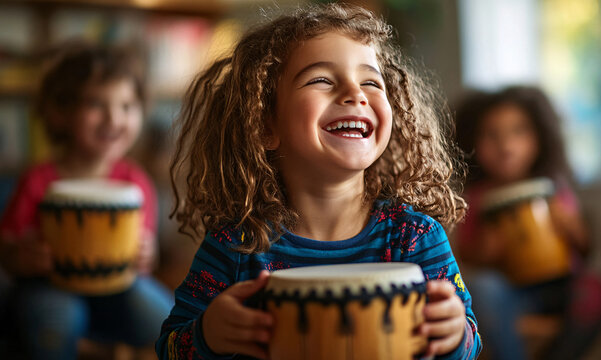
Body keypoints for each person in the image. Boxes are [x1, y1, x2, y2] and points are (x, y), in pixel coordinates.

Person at [156, 3, 481, 360]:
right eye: (322, 80)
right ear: (263, 124)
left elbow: (468, 342)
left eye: (371, 82)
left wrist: (453, 335)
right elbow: (171, 347)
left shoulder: (415, 237)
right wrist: (208, 333)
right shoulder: (237, 246)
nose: (354, 93)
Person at [0, 43, 173, 359]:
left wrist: (148, 254)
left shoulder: (136, 182)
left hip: (119, 286)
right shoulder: (39, 180)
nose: (114, 118)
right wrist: (21, 256)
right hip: (49, 285)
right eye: (96, 104)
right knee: (54, 326)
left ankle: (97, 347)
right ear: (60, 112)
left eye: (127, 106)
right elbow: (7, 249)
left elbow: (148, 255)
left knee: (172, 322)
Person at [454, 86, 601, 360]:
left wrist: (572, 227)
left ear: (540, 138)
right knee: (483, 289)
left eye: (518, 132)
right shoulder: (477, 198)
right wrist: (487, 249)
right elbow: (468, 257)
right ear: (472, 142)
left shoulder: (554, 189)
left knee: (596, 290)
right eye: (491, 135)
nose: (505, 145)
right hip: (510, 292)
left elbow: (584, 249)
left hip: (560, 288)